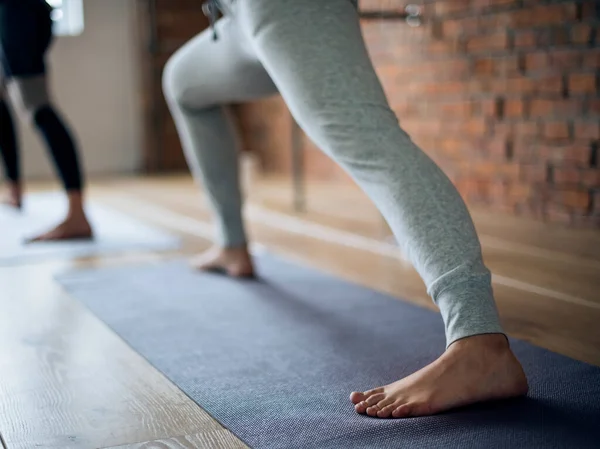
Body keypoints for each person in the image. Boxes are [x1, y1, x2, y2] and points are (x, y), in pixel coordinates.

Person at [162, 0, 528, 419]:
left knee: (368, 141)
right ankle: (231, 245)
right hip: (238, 21)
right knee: (183, 81)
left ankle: (478, 340)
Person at [0, 0, 92, 241]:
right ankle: (15, 190)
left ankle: (77, 214)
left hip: (18, 14)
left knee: (38, 109)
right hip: (14, 13)